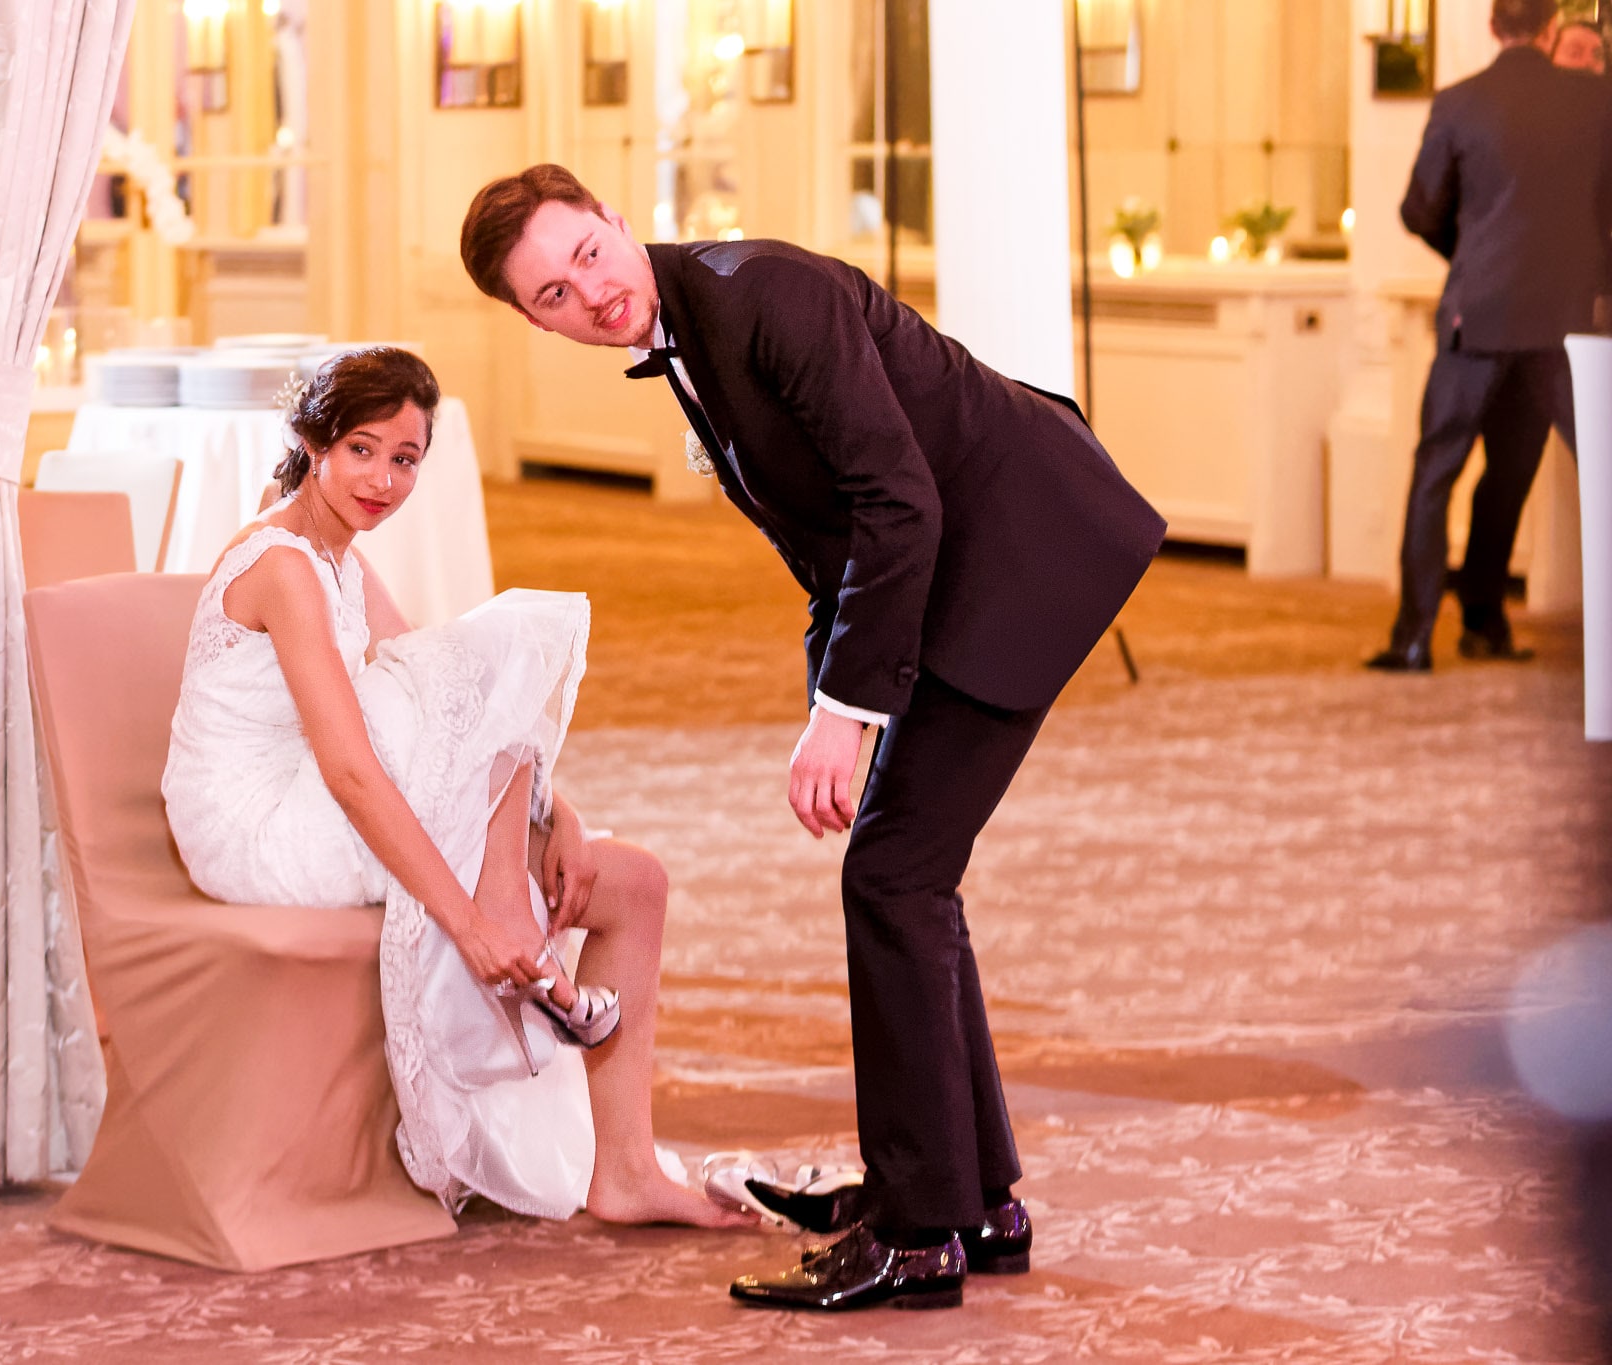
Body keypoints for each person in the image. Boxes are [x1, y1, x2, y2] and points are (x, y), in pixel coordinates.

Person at [459, 166, 1166, 1311]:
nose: (584, 296)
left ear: (617, 223)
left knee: (891, 877)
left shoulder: (762, 295)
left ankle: (917, 1225)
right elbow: (823, 542)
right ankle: (969, 1199)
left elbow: (897, 501)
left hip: (1019, 558)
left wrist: (849, 717)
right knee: (908, 875)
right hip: (952, 578)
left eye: (585, 256)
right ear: (533, 321)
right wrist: (827, 703)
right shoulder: (690, 329)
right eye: (548, 295)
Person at [162, 346, 745, 1230]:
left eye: (405, 459)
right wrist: (471, 920)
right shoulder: (281, 561)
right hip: (263, 826)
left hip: (325, 798)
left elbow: (465, 704)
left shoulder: (343, 560)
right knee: (497, 641)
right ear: (314, 443)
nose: (384, 480)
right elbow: (351, 768)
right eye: (363, 449)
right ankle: (505, 896)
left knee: (634, 882)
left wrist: (562, 811)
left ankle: (623, 1168)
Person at [1368, 0, 1612, 672]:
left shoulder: (1459, 102)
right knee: (1515, 476)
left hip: (1476, 318)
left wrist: (1472, 253)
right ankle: (1484, 622)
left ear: (1494, 27)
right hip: (1564, 323)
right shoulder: (1596, 103)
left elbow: (1419, 208)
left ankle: (1413, 637)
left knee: (1436, 473)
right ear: (1551, 31)